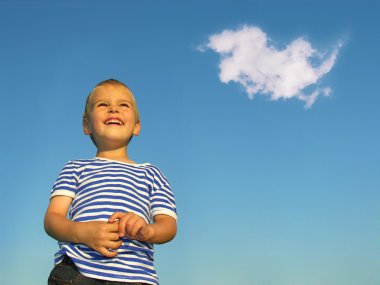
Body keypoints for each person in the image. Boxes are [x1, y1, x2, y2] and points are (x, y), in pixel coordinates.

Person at [44, 79, 177, 285]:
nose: (113, 109)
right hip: (78, 272)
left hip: (136, 277)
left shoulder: (151, 173)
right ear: (87, 125)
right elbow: (52, 219)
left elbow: (168, 226)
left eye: (123, 105)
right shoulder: (75, 168)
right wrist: (82, 232)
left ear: (136, 126)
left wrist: (147, 230)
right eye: (103, 105)